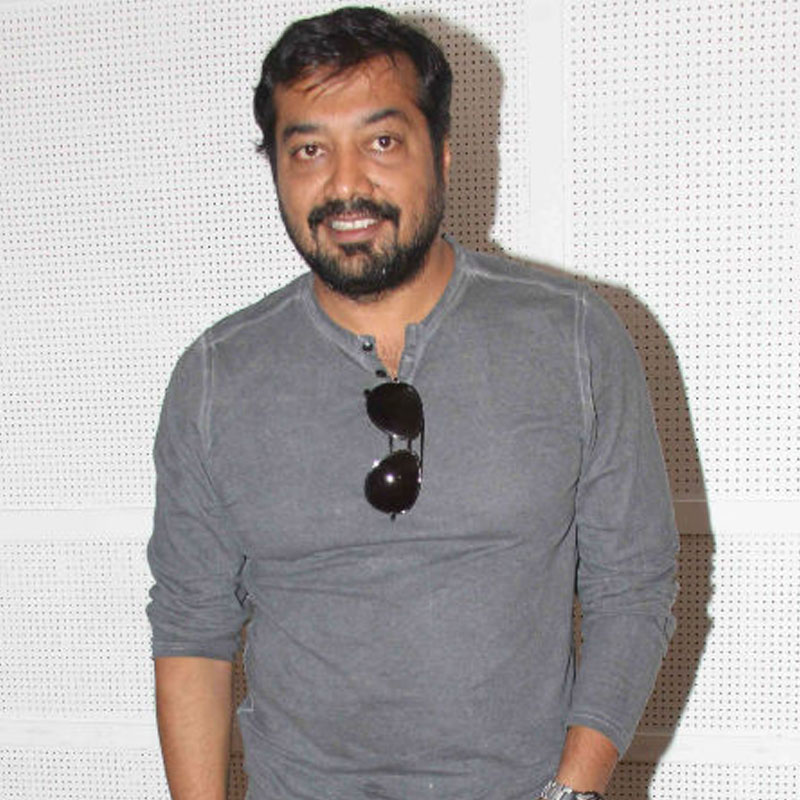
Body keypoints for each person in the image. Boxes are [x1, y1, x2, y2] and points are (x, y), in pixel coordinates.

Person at [146, 7, 678, 800]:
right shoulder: (216, 377)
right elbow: (193, 626)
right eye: (309, 149)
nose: (345, 183)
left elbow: (632, 585)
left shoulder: (572, 337)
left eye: (382, 142)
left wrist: (575, 790)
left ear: (443, 150)